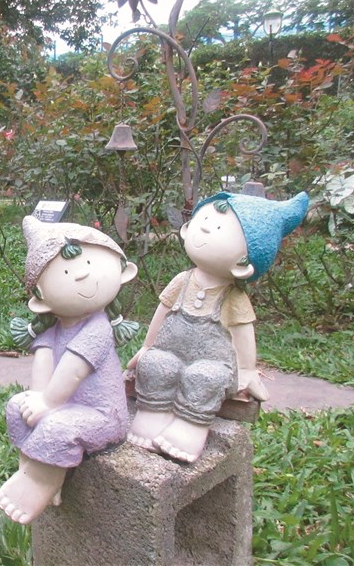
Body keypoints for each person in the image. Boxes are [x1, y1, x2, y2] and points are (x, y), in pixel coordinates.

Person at [127, 191, 309, 463]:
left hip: (212, 360)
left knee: (204, 378)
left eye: (219, 228)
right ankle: (152, 416)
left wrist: (246, 370)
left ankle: (189, 428)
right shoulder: (182, 280)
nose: (206, 228)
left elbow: (242, 332)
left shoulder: (233, 296)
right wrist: (147, 346)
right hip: (168, 349)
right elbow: (162, 311)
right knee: (155, 365)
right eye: (204, 220)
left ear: (243, 264)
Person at [0, 216, 138, 524]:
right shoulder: (54, 328)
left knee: (57, 426)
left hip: (102, 416)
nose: (82, 273)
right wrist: (38, 399)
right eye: (67, 272)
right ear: (41, 300)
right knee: (18, 407)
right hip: (66, 406)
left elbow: (74, 370)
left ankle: (43, 481)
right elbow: (43, 366)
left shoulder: (97, 327)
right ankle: (29, 469)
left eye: (90, 262)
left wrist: (48, 403)